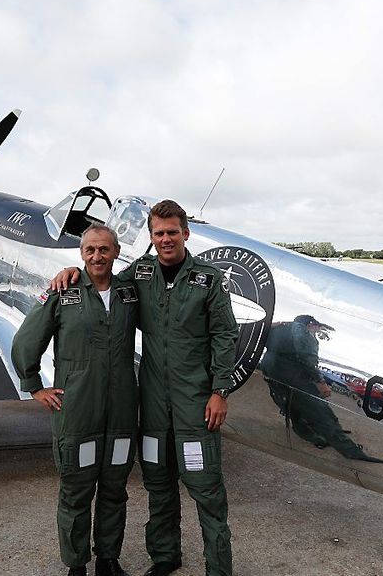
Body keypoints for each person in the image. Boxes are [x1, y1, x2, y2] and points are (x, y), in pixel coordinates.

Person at [53, 199, 238, 576]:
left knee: (206, 489)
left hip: (196, 401)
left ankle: (219, 569)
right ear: (151, 238)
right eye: (159, 233)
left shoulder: (208, 279)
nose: (166, 239)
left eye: (173, 232)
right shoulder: (140, 274)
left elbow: (225, 335)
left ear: (185, 233)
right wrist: (74, 269)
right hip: (153, 401)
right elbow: (101, 282)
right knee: (158, 482)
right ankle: (165, 556)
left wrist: (220, 391)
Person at [12, 225, 139, 576]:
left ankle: (108, 560)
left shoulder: (131, 292)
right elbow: (26, 340)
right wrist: (34, 385)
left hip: (122, 411)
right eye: (90, 250)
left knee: (115, 489)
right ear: (81, 254)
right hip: (78, 412)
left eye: (104, 250)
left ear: (115, 253)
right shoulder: (63, 291)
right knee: (76, 491)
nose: (97, 257)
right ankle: (76, 564)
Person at [259, 316, 383, 463]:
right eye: (317, 327)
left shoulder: (279, 328)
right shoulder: (303, 333)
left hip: (271, 367)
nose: (318, 330)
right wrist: (320, 381)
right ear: (310, 324)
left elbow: (263, 338)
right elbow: (308, 359)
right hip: (292, 374)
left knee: (291, 406)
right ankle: (350, 450)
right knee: (320, 411)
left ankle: (310, 434)